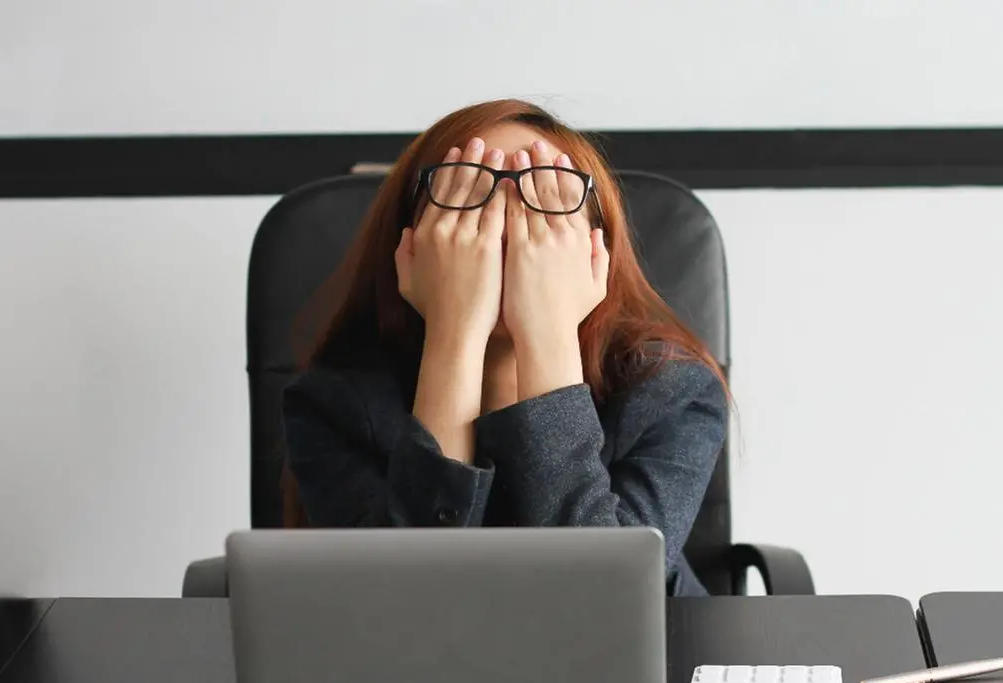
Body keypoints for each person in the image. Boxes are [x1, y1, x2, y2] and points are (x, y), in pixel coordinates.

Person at [281, 98, 728, 596]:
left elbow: (605, 599)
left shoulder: (672, 390)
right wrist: (453, 332)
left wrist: (549, 334)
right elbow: (400, 608)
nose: (507, 229)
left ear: (596, 252)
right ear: (410, 246)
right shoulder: (333, 404)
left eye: (550, 199)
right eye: (467, 195)